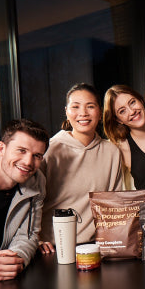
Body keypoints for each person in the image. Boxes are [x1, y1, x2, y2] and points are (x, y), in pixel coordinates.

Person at [39, 83, 124, 252]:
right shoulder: (49, 150)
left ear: (100, 112)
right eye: (75, 107)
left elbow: (115, 203)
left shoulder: (111, 151)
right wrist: (35, 239)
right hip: (53, 248)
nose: (83, 113)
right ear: (66, 111)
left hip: (96, 247)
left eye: (90, 106)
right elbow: (31, 200)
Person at [0, 119, 49, 281]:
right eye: (21, 150)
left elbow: (28, 236)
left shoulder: (37, 181)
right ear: (1, 148)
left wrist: (15, 260)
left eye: (37, 155)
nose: (28, 162)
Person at [103, 84, 145, 201]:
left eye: (132, 102)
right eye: (122, 111)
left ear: (141, 100)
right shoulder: (121, 147)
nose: (132, 111)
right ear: (118, 119)